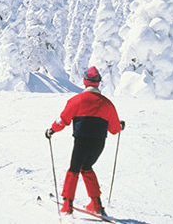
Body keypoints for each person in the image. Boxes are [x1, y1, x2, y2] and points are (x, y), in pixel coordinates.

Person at [45, 66, 122, 216]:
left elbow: (63, 120)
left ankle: (67, 205)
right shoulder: (107, 104)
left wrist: (52, 130)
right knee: (87, 167)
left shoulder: (77, 100)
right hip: (99, 144)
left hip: (81, 142)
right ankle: (96, 204)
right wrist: (120, 125)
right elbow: (115, 129)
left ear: (85, 82)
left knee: (74, 169)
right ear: (98, 83)